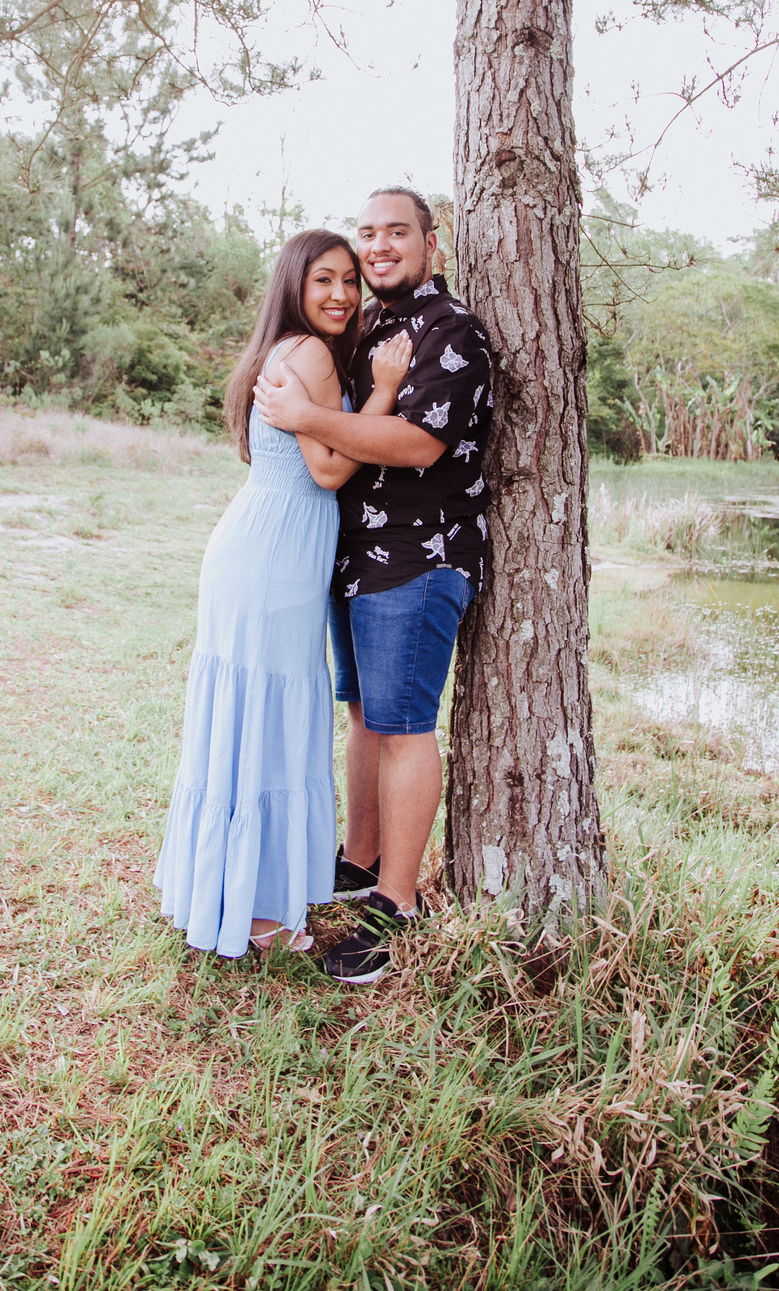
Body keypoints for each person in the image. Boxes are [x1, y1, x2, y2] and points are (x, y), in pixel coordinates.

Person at [253, 187, 493, 985]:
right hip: (352, 556)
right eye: (369, 233)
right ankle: (359, 863)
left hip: (417, 559)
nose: (380, 246)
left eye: (398, 232)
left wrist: (302, 416)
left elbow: (416, 443)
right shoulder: (364, 328)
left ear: (432, 243)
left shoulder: (451, 331)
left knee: (403, 727)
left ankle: (397, 904)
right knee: (362, 714)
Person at [154, 229, 413, 958]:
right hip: (274, 559)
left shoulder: (282, 350)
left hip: (258, 545)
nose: (341, 294)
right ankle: (261, 916)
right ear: (294, 285)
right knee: (266, 721)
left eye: (350, 281)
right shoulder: (311, 354)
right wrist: (387, 390)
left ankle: (225, 897)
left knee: (243, 720)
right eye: (323, 279)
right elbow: (329, 470)